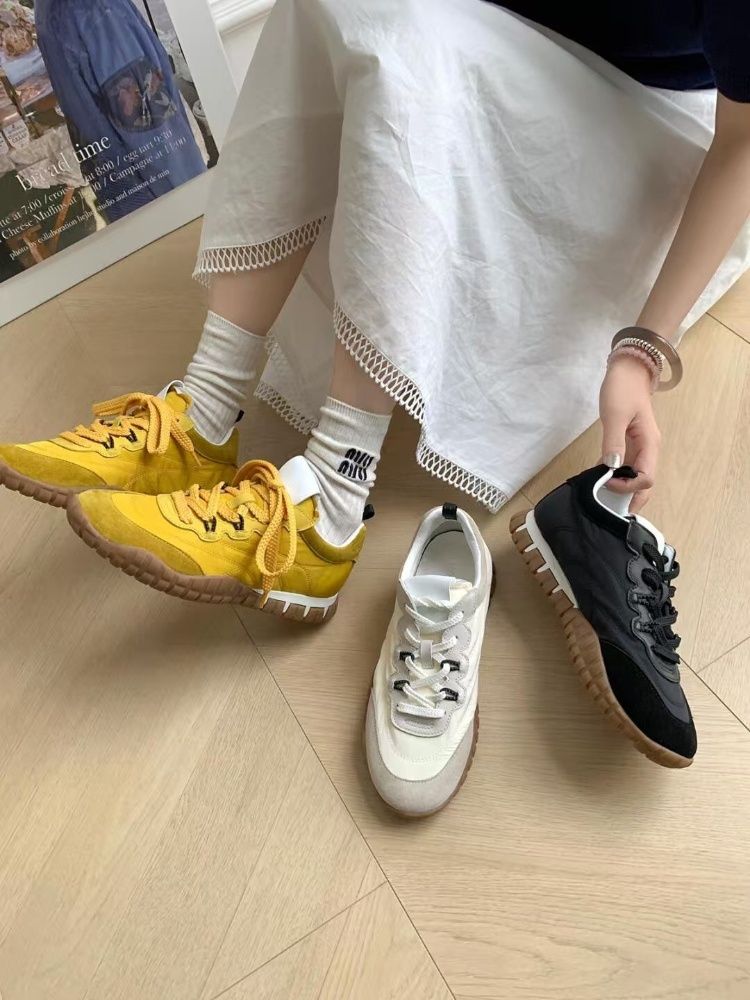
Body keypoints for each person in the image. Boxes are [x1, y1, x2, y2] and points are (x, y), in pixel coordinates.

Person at [1, 0, 750, 618]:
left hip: (647, 116)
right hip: (515, 34)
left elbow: (744, 141)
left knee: (401, 36)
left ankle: (332, 501)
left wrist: (641, 351)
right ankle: (203, 410)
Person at [33, 0, 206, 222]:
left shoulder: (53, 7)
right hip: (162, 198)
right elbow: (153, 131)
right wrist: (196, 200)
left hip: (129, 195)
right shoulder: (92, 8)